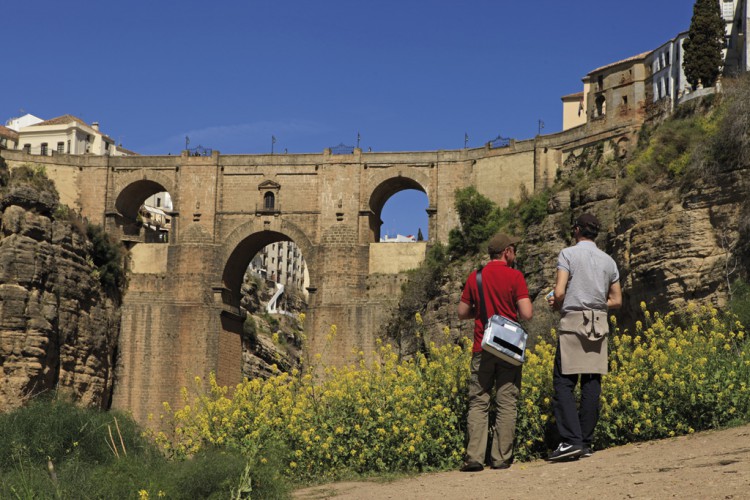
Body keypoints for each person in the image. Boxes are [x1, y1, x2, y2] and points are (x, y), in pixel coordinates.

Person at [546, 213, 622, 461]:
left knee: (564, 382)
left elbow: (559, 291)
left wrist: (556, 301)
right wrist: (595, 303)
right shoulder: (608, 261)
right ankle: (586, 442)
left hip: (574, 321)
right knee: (592, 382)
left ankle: (571, 441)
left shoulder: (568, 254)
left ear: (577, 230)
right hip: (599, 322)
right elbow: (617, 300)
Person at [458, 232, 533, 472]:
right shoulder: (515, 277)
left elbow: (462, 312)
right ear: (507, 251)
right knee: (506, 401)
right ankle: (500, 457)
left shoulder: (475, 277)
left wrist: (480, 314)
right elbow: (527, 313)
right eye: (514, 251)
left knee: (479, 401)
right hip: (508, 348)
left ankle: (474, 458)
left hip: (482, 346)